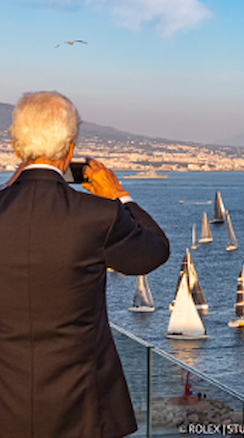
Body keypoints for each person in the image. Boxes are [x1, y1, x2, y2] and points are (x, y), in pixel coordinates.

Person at [0, 91, 170, 437]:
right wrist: (118, 195)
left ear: (16, 148)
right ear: (71, 148)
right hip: (85, 406)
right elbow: (154, 252)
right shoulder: (99, 216)